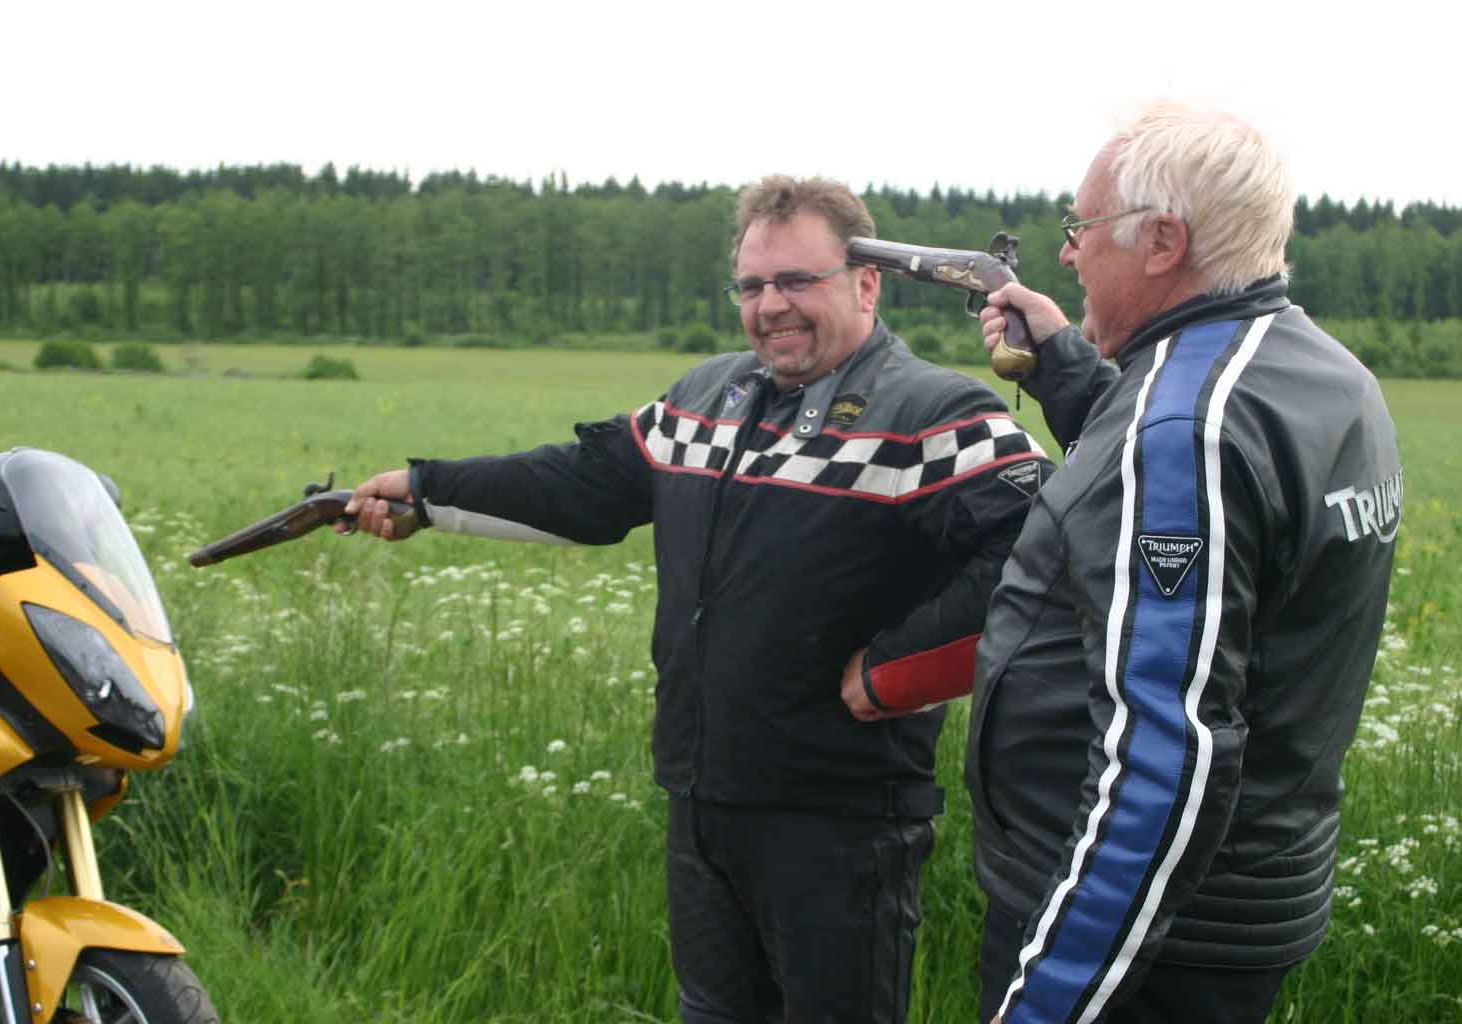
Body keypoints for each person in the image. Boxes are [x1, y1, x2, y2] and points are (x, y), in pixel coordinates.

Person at [343, 174, 1053, 1023]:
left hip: (841, 823)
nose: (771, 306)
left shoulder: (938, 414)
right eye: (752, 286)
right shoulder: (705, 399)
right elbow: (583, 483)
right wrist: (427, 491)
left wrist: (895, 673)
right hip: (700, 805)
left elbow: (1042, 556)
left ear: (867, 284)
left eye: (797, 281)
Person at [970, 103, 1402, 1024]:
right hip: (1246, 890)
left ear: (1163, 241)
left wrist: (1051, 999)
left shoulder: (1184, 430)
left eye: (1081, 227)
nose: (1068, 254)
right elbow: (1190, 490)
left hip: (1135, 928)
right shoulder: (1325, 376)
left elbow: (1166, 757)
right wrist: (1066, 368)